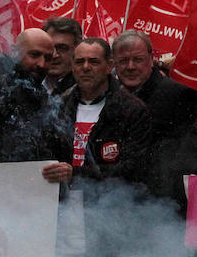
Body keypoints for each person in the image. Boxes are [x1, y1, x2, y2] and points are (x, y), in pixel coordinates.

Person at [0, 28, 72, 182]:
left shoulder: (42, 98)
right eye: (34, 55)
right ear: (15, 52)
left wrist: (65, 169)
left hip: (37, 194)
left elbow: (59, 148)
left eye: (48, 58)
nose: (41, 64)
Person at [112, 30, 197, 199]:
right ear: (114, 63)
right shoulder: (108, 98)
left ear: (151, 60)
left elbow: (192, 155)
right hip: (115, 198)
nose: (130, 66)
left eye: (138, 59)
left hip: (161, 202)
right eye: (123, 60)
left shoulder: (180, 96)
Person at [58, 37, 154, 188]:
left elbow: (133, 168)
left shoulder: (131, 110)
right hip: (62, 201)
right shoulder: (60, 106)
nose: (86, 67)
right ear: (72, 66)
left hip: (109, 204)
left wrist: (77, 173)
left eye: (94, 61)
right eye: (79, 62)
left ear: (109, 66)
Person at [40, 16, 81, 96]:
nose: (54, 55)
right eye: (49, 47)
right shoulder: (27, 83)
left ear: (77, 50)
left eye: (62, 48)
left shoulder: (85, 90)